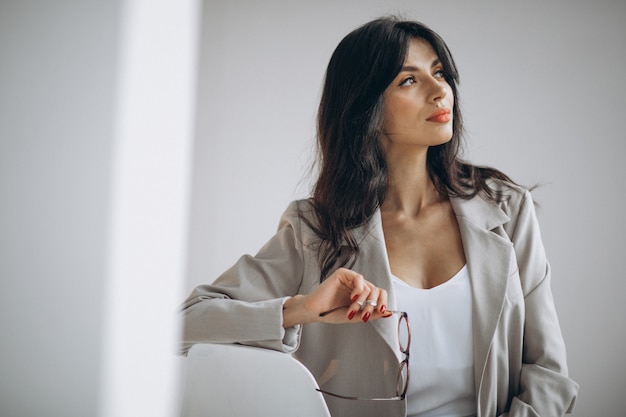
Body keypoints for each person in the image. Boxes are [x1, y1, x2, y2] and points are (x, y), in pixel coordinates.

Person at [180, 16, 579, 417]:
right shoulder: (315, 230)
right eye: (409, 80)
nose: (440, 90)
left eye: (439, 72)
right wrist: (300, 309)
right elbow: (185, 325)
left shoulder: (507, 209)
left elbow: (548, 372)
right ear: (364, 106)